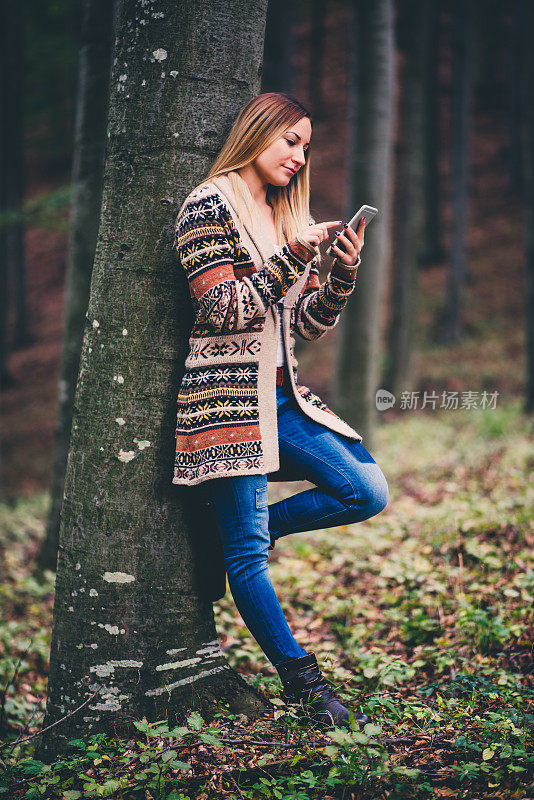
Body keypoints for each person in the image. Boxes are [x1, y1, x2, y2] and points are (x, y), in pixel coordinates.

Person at [172, 92, 389, 729]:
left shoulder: (281, 215)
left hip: (283, 401)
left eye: (306, 145)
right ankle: (305, 686)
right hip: (226, 403)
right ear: (258, 132)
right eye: (290, 140)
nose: (300, 156)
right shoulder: (208, 205)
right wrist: (294, 254)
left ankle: (241, 531)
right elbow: (222, 310)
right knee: (246, 559)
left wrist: (337, 278)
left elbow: (304, 327)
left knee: (365, 489)